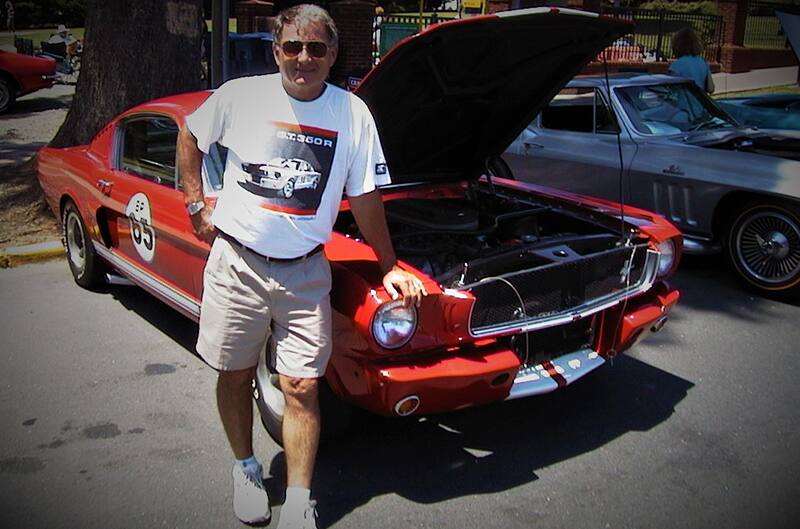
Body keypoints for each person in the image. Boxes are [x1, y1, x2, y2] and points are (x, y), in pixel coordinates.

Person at [177, 4, 426, 529]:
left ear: (333, 53)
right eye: (293, 46)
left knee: (302, 386)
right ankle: (245, 468)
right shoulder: (241, 96)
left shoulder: (352, 113)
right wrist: (197, 204)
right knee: (234, 371)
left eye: (316, 48)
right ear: (277, 51)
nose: (303, 58)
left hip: (306, 272)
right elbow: (191, 135)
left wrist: (389, 266)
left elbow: (364, 196)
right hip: (237, 264)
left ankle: (298, 498)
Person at [668, 27, 715, 94]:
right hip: (700, 102)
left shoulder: (676, 66)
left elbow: (671, 91)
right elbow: (711, 89)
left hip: (683, 103)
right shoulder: (703, 62)